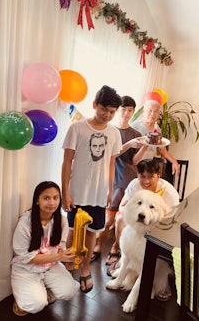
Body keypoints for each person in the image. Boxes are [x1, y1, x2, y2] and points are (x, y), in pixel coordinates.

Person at [61, 85, 122, 293]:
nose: (107, 114)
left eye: (112, 112)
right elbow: (67, 161)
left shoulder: (114, 133)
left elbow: (112, 163)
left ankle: (85, 269)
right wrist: (65, 192)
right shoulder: (77, 128)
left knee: (92, 234)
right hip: (77, 193)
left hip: (98, 194)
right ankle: (67, 269)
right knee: (72, 232)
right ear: (95, 105)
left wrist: (109, 190)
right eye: (104, 109)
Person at [107, 158, 179, 300]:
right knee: (120, 219)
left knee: (155, 261)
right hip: (137, 227)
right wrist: (132, 217)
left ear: (158, 175)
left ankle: (157, 281)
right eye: (142, 176)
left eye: (150, 176)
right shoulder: (134, 185)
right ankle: (123, 263)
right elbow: (123, 207)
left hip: (161, 230)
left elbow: (173, 221)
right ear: (138, 175)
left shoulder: (170, 193)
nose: (146, 181)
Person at [11, 181, 79, 316]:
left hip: (50, 266)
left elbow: (60, 246)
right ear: (37, 200)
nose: (52, 202)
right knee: (35, 305)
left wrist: (68, 256)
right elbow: (26, 258)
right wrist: (59, 257)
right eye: (46, 198)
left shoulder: (62, 220)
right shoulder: (26, 223)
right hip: (26, 269)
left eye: (56, 197)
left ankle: (43, 289)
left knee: (69, 291)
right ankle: (22, 299)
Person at [91, 95, 146, 265]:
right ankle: (98, 245)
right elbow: (109, 156)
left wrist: (144, 145)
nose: (127, 113)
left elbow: (135, 161)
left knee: (121, 219)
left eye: (130, 110)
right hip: (113, 180)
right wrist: (129, 144)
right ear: (118, 110)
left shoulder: (136, 133)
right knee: (107, 220)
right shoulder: (110, 131)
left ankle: (115, 247)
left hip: (129, 181)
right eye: (124, 109)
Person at [131, 98, 180, 176]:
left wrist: (174, 161)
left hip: (148, 168)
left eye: (156, 111)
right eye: (150, 110)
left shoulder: (157, 129)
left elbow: (162, 150)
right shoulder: (134, 127)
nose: (153, 114)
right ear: (144, 112)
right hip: (134, 169)